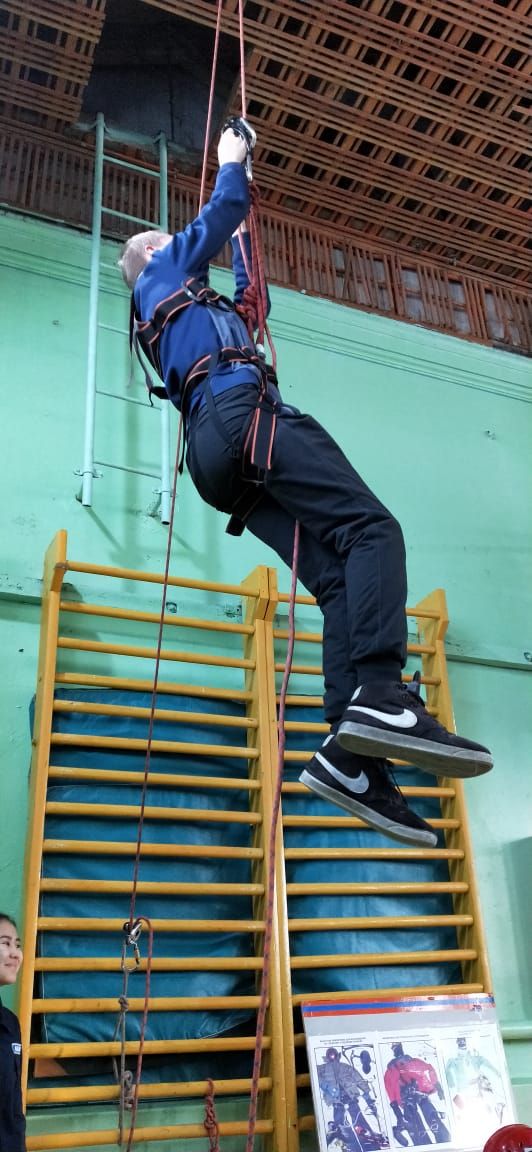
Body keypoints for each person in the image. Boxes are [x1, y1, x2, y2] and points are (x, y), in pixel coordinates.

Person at [119, 121, 493, 849]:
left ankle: (351, 754)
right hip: (240, 417)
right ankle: (382, 692)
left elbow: (252, 299)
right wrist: (231, 162)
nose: (182, 245)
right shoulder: (159, 274)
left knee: (337, 579)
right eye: (173, 241)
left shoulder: (188, 316)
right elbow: (221, 211)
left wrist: (243, 233)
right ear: (158, 255)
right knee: (372, 530)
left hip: (217, 455)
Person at [384, 1041, 450, 1144]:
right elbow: (389, 1085)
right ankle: (432, 1142)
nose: (397, 1050)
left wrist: (437, 1084)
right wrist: (394, 1106)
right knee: (418, 1121)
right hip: (408, 1097)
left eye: (397, 1047)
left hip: (417, 1094)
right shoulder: (393, 1068)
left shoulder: (411, 1061)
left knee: (429, 1116)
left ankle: (443, 1141)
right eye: (395, 1047)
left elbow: (429, 1069)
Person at [0, 913, 26, 1151]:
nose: (16, 954)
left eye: (17, 945)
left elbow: (13, 1109)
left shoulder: (10, 1023)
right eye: (5, 943)